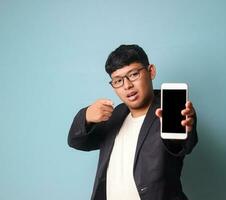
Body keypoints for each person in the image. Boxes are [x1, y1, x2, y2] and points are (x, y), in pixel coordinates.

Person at [68, 44, 198, 200]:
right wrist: (86, 116)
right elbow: (77, 142)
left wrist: (185, 129)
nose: (127, 85)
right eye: (118, 80)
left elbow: (180, 146)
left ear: (151, 71)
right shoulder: (115, 115)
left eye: (134, 74)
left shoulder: (170, 109)